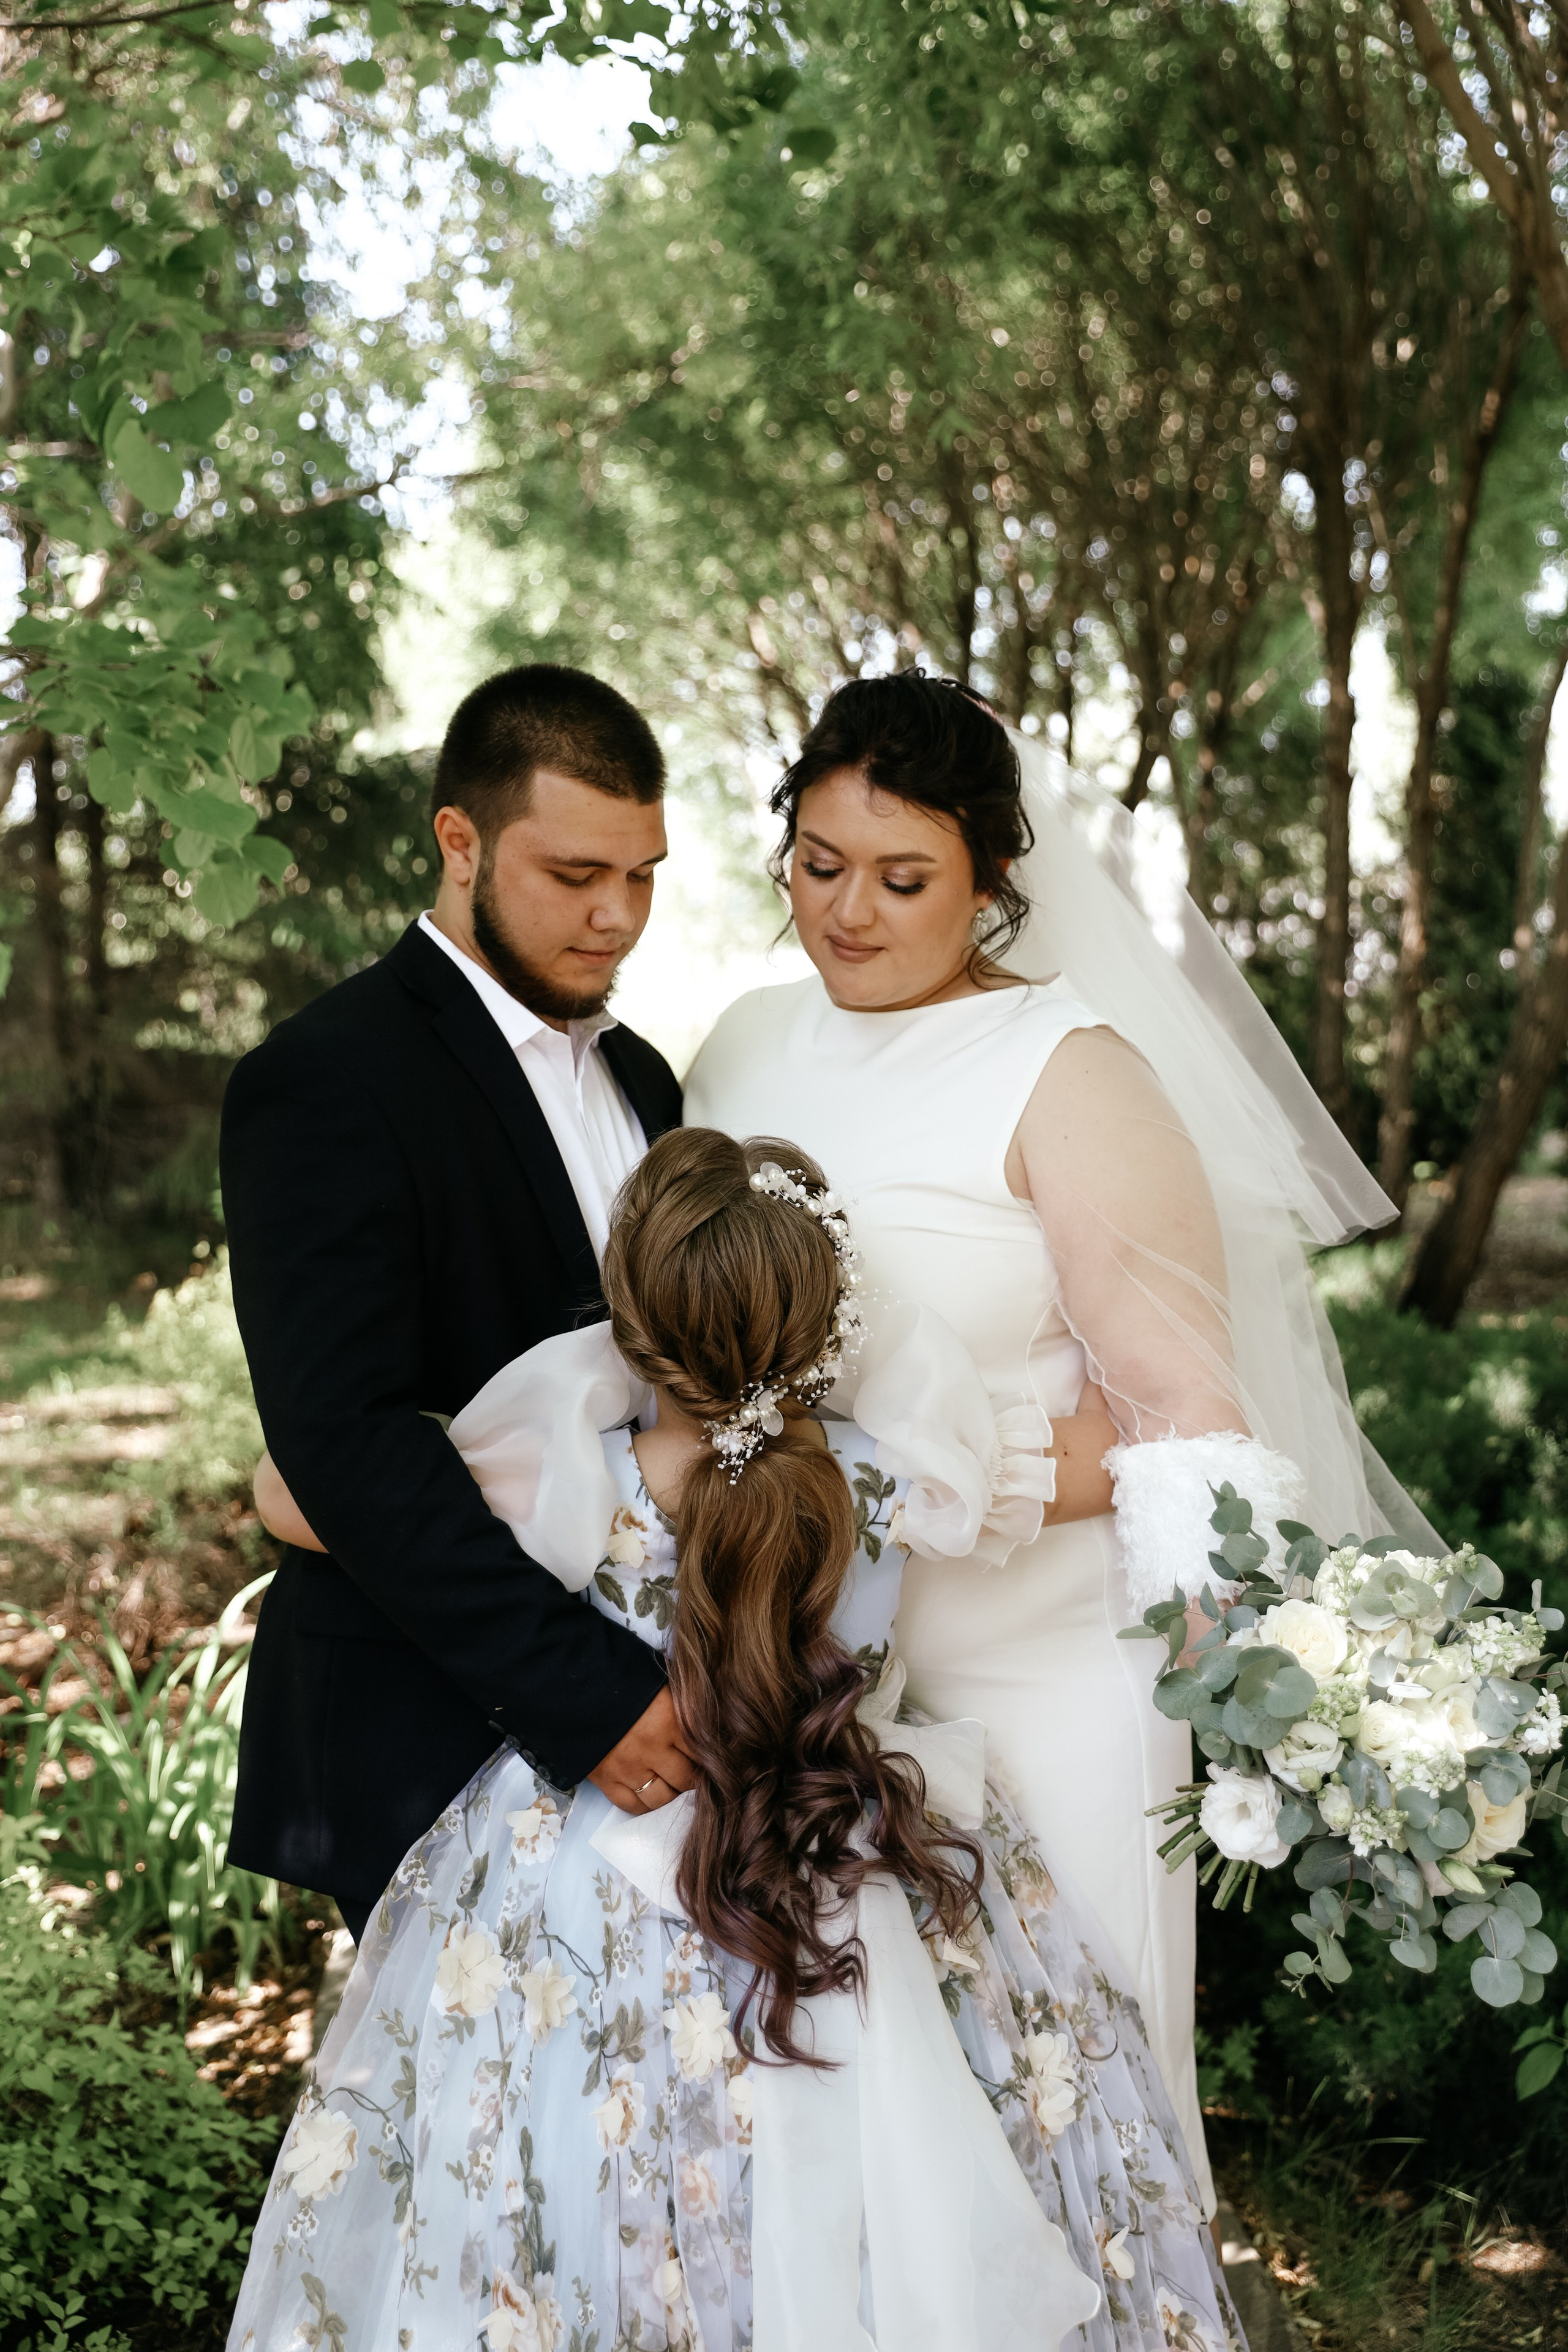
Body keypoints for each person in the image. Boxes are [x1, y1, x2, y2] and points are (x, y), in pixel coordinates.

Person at [230, 1128, 1245, 2352]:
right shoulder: (893, 1478)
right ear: (826, 1317)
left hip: (603, 1855)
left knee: (591, 2155)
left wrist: (462, 1446)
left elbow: (290, 1496)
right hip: (853, 1828)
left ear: (629, 1321)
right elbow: (1110, 1445)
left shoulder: (572, 1476)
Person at [684, 671, 1425, 2217]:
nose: (849, 913)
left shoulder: (1067, 1065)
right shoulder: (742, 1046)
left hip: (1041, 1670)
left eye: (902, 880)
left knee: (1063, 2088)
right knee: (856, 2103)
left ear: (991, 881)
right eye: (816, 866)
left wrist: (918, 1484)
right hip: (804, 1678)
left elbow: (1187, 1419)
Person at [220, 663, 693, 1947]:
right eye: (573, 875)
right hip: (426, 1719)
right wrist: (585, 1696)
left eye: (642, 874)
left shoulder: (646, 1081)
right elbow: (348, 1443)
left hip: (658, 1703)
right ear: (459, 840)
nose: (615, 917)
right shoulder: (324, 1079)